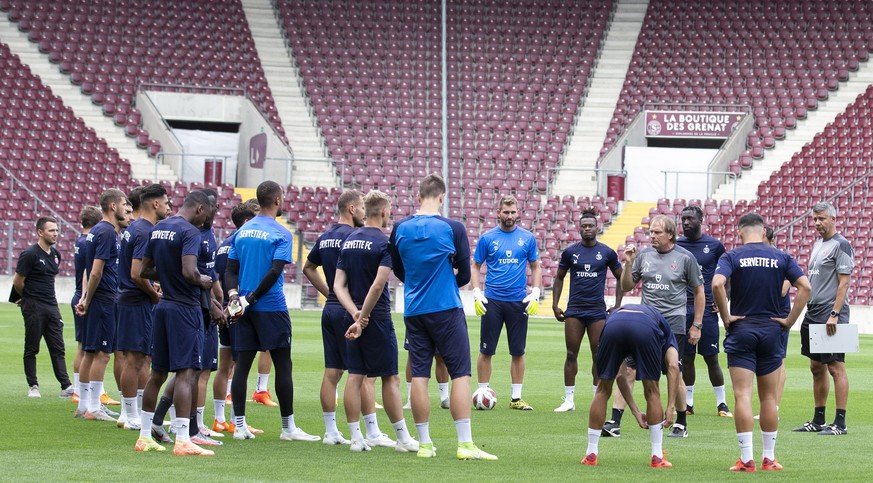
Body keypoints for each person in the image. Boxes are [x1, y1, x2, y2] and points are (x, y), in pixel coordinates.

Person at [389, 173, 496, 460]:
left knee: (419, 376)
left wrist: (416, 280)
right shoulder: (454, 227)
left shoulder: (399, 228)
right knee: (460, 374)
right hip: (446, 308)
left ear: (418, 196)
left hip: (414, 309)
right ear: (442, 197)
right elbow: (463, 269)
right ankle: (464, 445)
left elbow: (397, 269)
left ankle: (424, 445)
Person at [712, 212, 811, 471]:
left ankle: (746, 460)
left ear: (740, 231)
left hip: (742, 328)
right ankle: (769, 458)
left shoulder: (732, 256)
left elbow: (717, 284)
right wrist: (789, 321)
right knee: (768, 398)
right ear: (763, 230)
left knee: (742, 395)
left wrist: (726, 316)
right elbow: (806, 287)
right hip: (771, 330)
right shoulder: (781, 256)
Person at [224, 180, 319, 442]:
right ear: (277, 201)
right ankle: (288, 428)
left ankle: (240, 426)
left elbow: (230, 270)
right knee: (283, 365)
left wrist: (236, 298)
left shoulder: (242, 232)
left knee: (242, 365)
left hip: (243, 309)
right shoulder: (281, 232)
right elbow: (275, 270)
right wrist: (251, 299)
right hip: (270, 307)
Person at [134, 190, 216, 455]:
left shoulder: (159, 228)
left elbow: (145, 270)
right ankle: (183, 439)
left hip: (163, 306)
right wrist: (205, 280)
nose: (205, 222)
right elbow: (190, 272)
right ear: (200, 209)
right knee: (186, 372)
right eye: (207, 215)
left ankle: (145, 436)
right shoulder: (189, 232)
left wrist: (168, 274)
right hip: (184, 309)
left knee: (157, 372)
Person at [337, 190, 419, 453]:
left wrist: (354, 314)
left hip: (352, 317)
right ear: (384, 212)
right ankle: (403, 438)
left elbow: (338, 285)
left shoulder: (349, 240)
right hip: (377, 317)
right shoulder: (384, 244)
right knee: (390, 378)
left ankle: (356, 438)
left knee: (355, 377)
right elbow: (377, 286)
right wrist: (362, 320)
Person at [302, 189, 381, 445]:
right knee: (363, 374)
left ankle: (330, 432)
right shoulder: (356, 236)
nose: (364, 213)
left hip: (331, 308)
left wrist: (329, 293)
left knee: (331, 372)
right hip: (353, 309)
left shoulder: (325, 237)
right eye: (361, 209)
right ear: (352, 209)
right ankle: (371, 432)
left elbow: (308, 268)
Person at [617, 214, 703, 438]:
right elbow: (626, 286)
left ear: (671, 235)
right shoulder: (643, 255)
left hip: (673, 323)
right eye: (651, 232)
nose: (652, 236)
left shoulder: (685, 258)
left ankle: (681, 422)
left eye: (657, 232)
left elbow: (699, 291)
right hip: (645, 322)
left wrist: (697, 324)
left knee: (675, 370)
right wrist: (628, 264)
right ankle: (614, 420)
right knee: (629, 368)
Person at [581, 304, 679, 468]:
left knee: (603, 389)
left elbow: (620, 374)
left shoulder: (619, 315)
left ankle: (591, 454)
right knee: (652, 391)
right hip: (644, 327)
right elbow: (674, 367)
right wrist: (670, 407)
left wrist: (635, 411)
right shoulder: (667, 331)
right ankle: (657, 456)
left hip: (613, 325)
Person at [470, 195, 542, 410]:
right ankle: (483, 391)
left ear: (518, 213)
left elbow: (536, 266)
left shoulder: (527, 238)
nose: (509, 216)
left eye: (513, 212)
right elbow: (475, 265)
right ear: (498, 213)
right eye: (506, 212)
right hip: (492, 300)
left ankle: (516, 398)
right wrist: (476, 291)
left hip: (518, 302)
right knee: (486, 350)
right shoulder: (487, 238)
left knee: (518, 351)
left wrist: (536, 291)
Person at [551, 208, 622, 412]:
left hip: (597, 311)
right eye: (584, 226)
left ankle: (595, 397)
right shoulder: (571, 252)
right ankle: (569, 400)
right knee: (571, 353)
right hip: (574, 310)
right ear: (579, 228)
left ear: (597, 227)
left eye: (591, 226)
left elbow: (621, 277)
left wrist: (617, 304)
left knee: (598, 354)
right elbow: (559, 278)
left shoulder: (607, 252)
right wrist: (555, 304)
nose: (588, 229)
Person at [794, 201, 853, 436]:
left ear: (833, 219)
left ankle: (840, 423)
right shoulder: (818, 245)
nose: (817, 223)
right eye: (815, 219)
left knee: (836, 367)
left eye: (822, 219)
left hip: (831, 312)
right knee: (816, 366)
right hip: (814, 310)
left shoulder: (842, 244)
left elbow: (844, 281)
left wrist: (835, 314)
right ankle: (818, 420)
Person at [116, 184, 170, 430]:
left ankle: (134, 412)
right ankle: (129, 414)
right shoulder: (144, 230)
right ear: (155, 204)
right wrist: (154, 294)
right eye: (166, 203)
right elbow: (137, 273)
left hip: (132, 298)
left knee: (141, 358)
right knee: (135, 359)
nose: (169, 208)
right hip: (135, 300)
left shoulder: (134, 227)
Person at [74, 188, 130, 422]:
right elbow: (96, 271)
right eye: (124, 204)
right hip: (105, 298)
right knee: (103, 354)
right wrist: (88, 297)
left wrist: (85, 297)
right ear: (112, 206)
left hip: (96, 298)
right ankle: (94, 406)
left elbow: (88, 269)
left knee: (89, 350)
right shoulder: (107, 232)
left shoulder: (96, 231)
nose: (127, 208)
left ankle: (85, 404)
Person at [211, 199, 263, 435]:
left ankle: (219, 419)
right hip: (238, 309)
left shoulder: (223, 243)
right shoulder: (243, 242)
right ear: (246, 220)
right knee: (239, 367)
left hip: (222, 308)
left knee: (225, 367)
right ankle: (236, 421)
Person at [676, 206, 732, 417]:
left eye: (690, 218)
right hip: (682, 308)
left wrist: (723, 298)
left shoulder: (714, 246)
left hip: (707, 309)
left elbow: (728, 275)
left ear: (701, 219)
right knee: (687, 358)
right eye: (683, 219)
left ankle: (722, 403)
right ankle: (688, 403)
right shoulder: (677, 245)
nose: (686, 222)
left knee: (711, 357)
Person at [13, 216, 73, 398]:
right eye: (51, 230)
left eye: (56, 230)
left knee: (58, 347)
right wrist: (28, 298)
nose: (55, 234)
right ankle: (33, 386)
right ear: (40, 232)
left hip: (52, 305)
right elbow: (18, 282)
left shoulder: (55, 255)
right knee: (32, 347)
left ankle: (66, 386)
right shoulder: (30, 254)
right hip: (34, 306)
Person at [758, 226, 792, 420]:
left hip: (779, 315)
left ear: (768, 238)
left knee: (778, 361)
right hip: (765, 314)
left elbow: (782, 290)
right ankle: (769, 406)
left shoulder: (782, 259)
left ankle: (774, 408)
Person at [70, 206, 102, 403]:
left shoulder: (79, 240)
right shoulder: (90, 241)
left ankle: (77, 388)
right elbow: (89, 273)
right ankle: (82, 391)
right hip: (85, 294)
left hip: (78, 293)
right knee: (89, 348)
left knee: (83, 345)